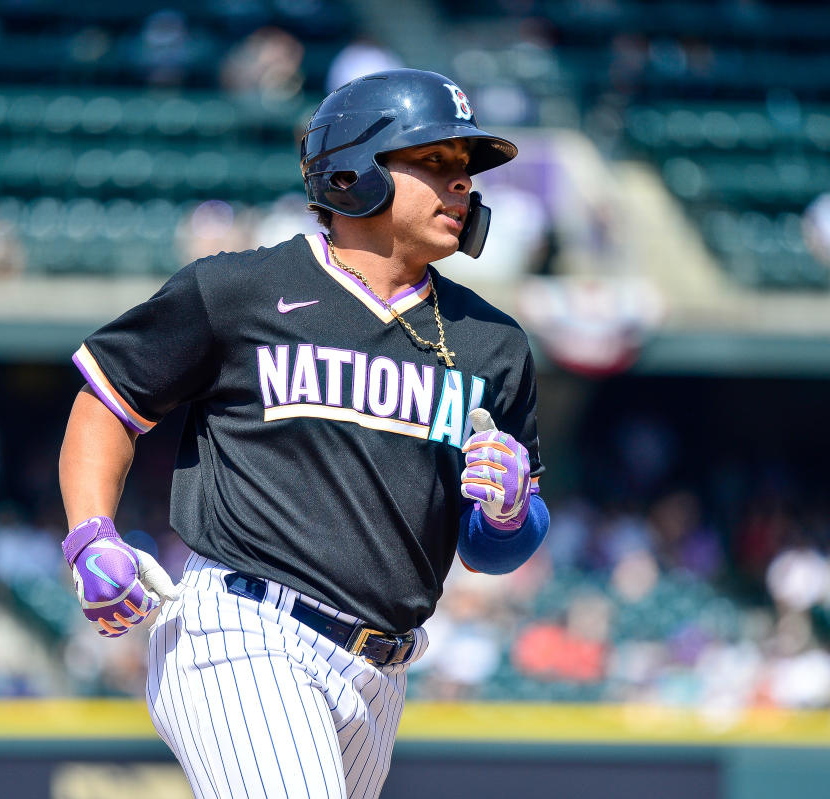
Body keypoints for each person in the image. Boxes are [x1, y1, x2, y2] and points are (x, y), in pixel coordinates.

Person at [58, 68, 550, 799]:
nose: (462, 187)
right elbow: (108, 401)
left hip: (381, 673)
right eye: (435, 162)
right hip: (243, 629)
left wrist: (511, 513)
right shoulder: (238, 291)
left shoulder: (492, 343)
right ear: (354, 170)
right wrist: (90, 534)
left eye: (466, 170)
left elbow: (489, 550)